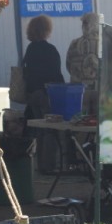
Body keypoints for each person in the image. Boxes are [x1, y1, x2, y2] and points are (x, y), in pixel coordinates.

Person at [22, 14, 65, 173]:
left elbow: (27, 72)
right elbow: (56, 74)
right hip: (47, 94)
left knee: (38, 130)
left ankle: (40, 165)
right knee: (49, 130)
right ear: (46, 30)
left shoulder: (30, 49)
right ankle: (49, 165)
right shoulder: (50, 50)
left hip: (33, 94)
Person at [66, 12, 100, 116]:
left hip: (77, 90)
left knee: (79, 122)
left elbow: (68, 65)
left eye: (84, 23)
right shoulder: (103, 43)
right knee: (96, 123)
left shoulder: (74, 44)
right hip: (98, 89)